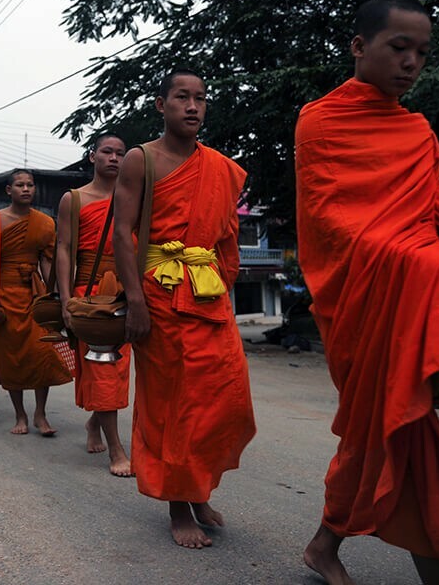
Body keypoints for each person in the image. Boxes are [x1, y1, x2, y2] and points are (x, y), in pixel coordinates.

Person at [293, 0, 439, 585]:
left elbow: (430, 208)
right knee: (393, 430)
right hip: (364, 291)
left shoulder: (416, 128)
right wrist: (403, 256)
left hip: (407, 263)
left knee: (387, 430)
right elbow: (328, 219)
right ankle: (329, 546)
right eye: (399, 48)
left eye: (422, 52)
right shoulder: (320, 119)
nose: (412, 62)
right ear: (359, 47)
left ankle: (325, 545)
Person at [112, 69, 256, 549]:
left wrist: (222, 283)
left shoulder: (219, 167)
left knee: (222, 399)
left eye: (200, 98)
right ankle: (178, 504)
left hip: (207, 292)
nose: (192, 106)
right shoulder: (141, 159)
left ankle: (199, 490)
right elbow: (122, 233)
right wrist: (135, 299)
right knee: (173, 403)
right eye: (181, 97)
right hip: (159, 291)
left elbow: (227, 239)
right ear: (161, 105)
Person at [0, 170, 72, 436]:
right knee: (11, 357)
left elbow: (47, 261)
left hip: (34, 295)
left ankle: (40, 414)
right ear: (8, 190)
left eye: (30, 185)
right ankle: (20, 415)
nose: (26, 189)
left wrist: (53, 296)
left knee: (42, 353)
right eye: (20, 185)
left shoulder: (45, 222)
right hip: (5, 296)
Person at [55, 133, 133, 477]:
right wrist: (66, 299)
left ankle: (94, 422)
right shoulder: (74, 199)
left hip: (128, 290)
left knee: (116, 370)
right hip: (90, 293)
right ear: (93, 156)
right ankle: (117, 450)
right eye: (107, 152)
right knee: (103, 366)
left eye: (120, 153)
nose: (114, 158)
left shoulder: (136, 198)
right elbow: (63, 248)